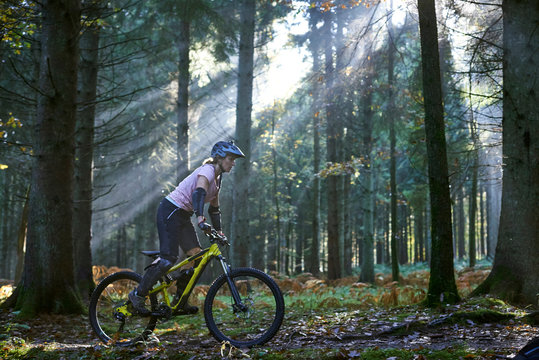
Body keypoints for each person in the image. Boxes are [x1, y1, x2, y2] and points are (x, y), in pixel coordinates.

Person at [129, 140, 245, 315]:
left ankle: (179, 301)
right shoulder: (207, 171)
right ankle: (137, 294)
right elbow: (198, 193)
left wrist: (219, 232)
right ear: (220, 158)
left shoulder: (218, 179)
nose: (233, 162)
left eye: (234, 159)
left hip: (183, 215)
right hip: (170, 210)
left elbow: (214, 209)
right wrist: (200, 218)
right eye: (231, 158)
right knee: (169, 259)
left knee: (196, 256)